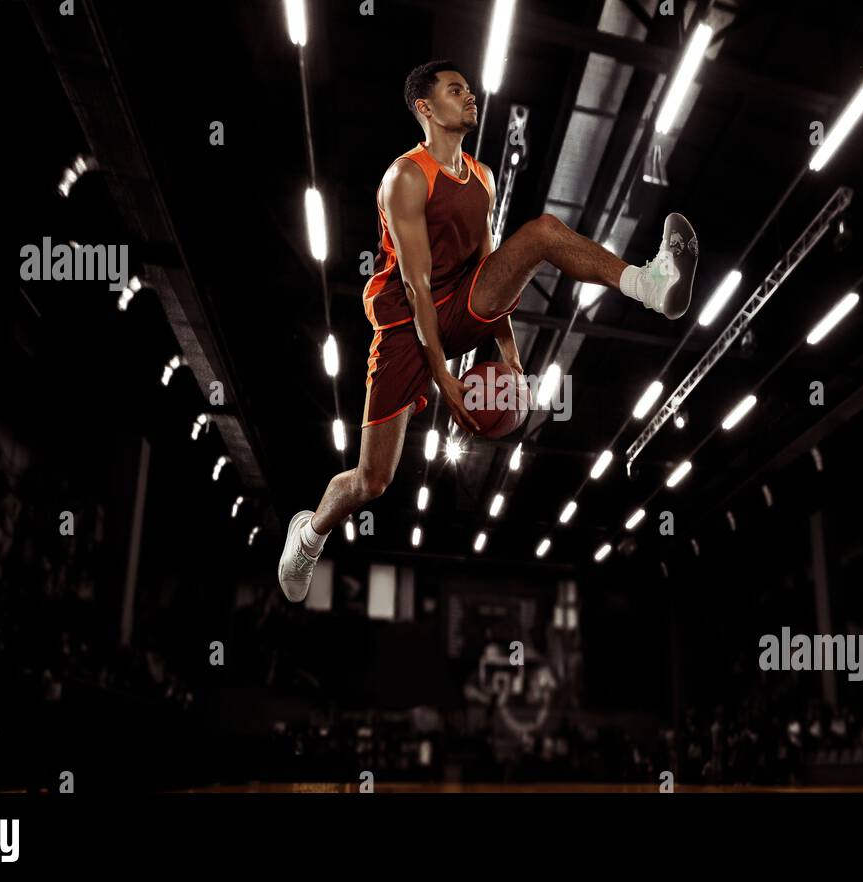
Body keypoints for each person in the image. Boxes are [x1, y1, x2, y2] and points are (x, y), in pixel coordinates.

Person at [279, 60, 698, 601]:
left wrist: (509, 350)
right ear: (425, 109)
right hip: (406, 325)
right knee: (372, 481)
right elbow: (416, 287)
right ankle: (309, 535)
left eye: (469, 89)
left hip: (457, 302)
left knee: (544, 231)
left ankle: (649, 281)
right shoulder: (406, 177)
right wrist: (442, 378)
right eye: (456, 90)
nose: (469, 95)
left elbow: (487, 271)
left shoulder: (482, 177)